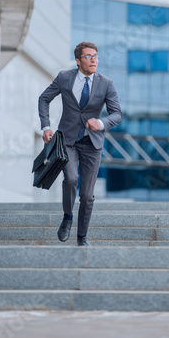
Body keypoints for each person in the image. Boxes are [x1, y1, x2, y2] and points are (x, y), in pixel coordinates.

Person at [38, 41, 123, 246]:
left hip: (92, 144)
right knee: (71, 178)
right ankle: (68, 216)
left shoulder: (106, 83)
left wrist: (101, 123)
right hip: (67, 140)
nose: (93, 60)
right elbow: (44, 99)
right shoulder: (64, 78)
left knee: (87, 195)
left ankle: (82, 236)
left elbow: (117, 114)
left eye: (96, 56)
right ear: (78, 61)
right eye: (88, 56)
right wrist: (45, 127)